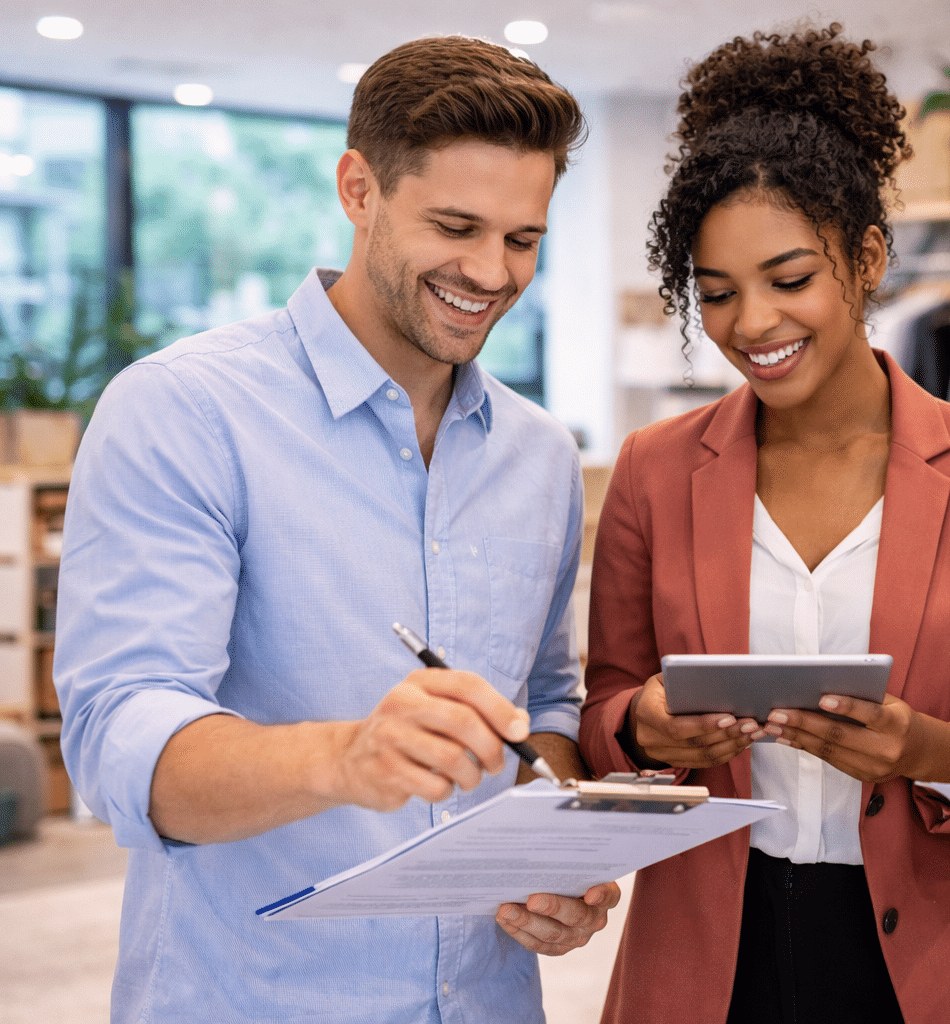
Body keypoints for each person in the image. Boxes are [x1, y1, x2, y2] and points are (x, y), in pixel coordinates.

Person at [55, 35, 619, 1024]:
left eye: (523, 239)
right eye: (456, 226)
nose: (491, 271)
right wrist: (343, 758)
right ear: (359, 189)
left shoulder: (539, 454)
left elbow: (543, 705)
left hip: (489, 1000)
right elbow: (120, 741)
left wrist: (554, 851)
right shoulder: (183, 410)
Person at [578, 24, 950, 1024]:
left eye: (790, 279)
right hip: (708, 957)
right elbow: (602, 714)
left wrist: (925, 747)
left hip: (936, 959)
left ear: (866, 258)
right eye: (716, 294)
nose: (753, 323)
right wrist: (644, 725)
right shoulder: (653, 471)